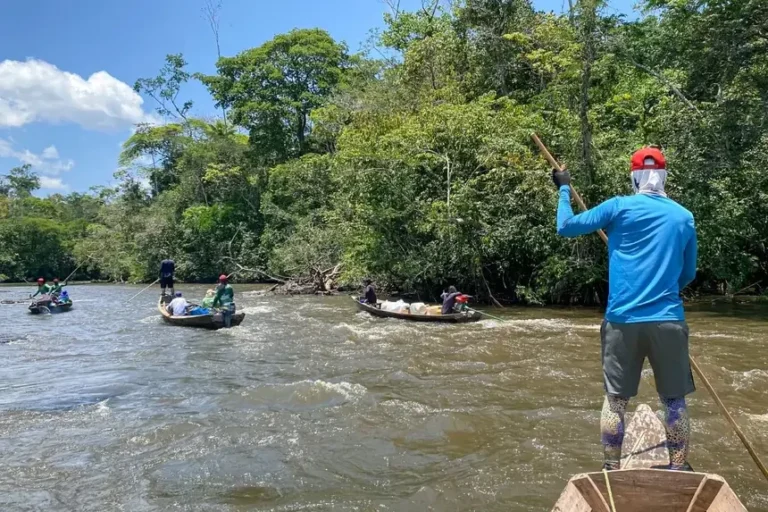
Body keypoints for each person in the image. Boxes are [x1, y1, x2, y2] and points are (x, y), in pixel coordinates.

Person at [552, 147, 698, 472]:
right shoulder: (683, 217)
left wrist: (563, 187)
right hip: (668, 320)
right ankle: (677, 468)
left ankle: (610, 468)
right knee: (674, 401)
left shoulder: (619, 207)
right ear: (664, 176)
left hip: (622, 321)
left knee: (616, 401)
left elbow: (566, 226)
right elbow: (687, 273)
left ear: (634, 176)